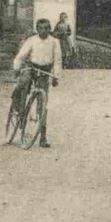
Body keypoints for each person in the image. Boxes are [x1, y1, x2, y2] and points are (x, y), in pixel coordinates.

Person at [11, 18, 65, 147]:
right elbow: (21, 56)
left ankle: (43, 137)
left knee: (43, 103)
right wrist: (17, 69)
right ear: (37, 29)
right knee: (23, 83)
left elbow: (57, 61)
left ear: (50, 29)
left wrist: (55, 76)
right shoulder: (32, 41)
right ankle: (18, 109)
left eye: (47, 28)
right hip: (32, 67)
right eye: (41, 28)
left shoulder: (54, 42)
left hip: (45, 71)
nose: (44, 31)